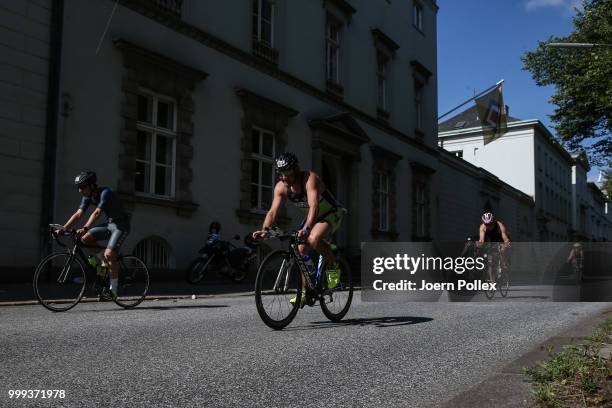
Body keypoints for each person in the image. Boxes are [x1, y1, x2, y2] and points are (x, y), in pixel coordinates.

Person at [252, 152, 345, 306]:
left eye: (287, 172)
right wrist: (265, 230)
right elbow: (273, 211)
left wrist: (307, 228)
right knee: (300, 252)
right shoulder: (281, 187)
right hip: (312, 217)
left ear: (296, 169)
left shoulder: (309, 179)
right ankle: (304, 291)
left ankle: (334, 267)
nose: (283, 177)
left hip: (330, 213)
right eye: (280, 173)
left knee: (313, 238)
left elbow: (314, 206)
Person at [62, 171, 131, 299]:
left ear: (91, 186)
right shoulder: (87, 197)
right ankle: (103, 262)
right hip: (110, 224)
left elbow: (97, 213)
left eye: (82, 187)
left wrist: (85, 227)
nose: (80, 190)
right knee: (85, 238)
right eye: (78, 187)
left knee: (109, 255)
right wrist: (63, 228)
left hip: (121, 226)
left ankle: (114, 291)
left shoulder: (106, 193)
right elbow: (78, 214)